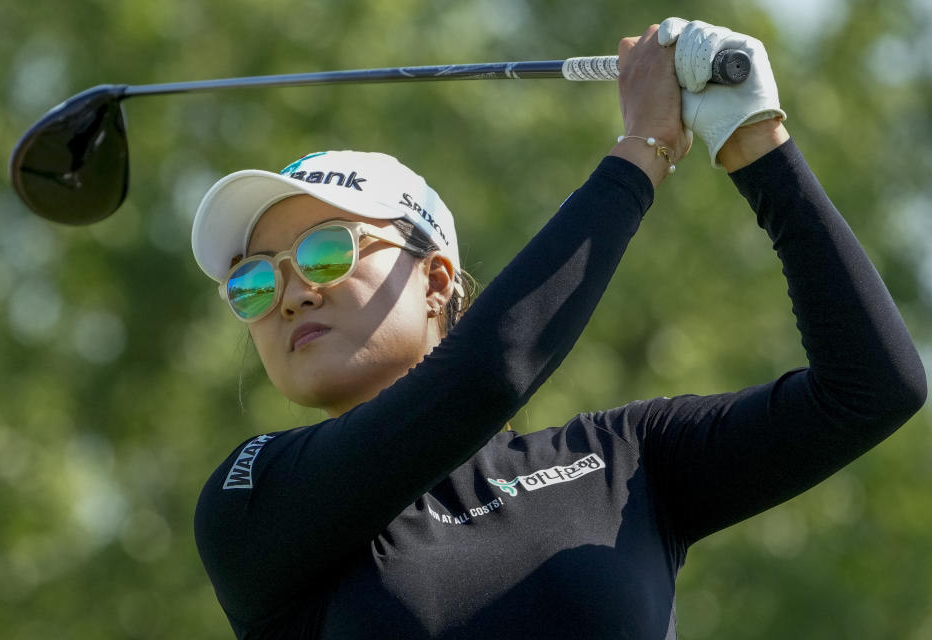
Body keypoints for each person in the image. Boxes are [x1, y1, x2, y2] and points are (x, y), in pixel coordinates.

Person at [189, 18, 926, 639]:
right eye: (254, 281)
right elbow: (485, 377)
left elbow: (872, 387)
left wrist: (755, 142)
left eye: (324, 252)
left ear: (438, 281)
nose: (288, 296)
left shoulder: (624, 463)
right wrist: (644, 149)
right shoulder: (251, 498)